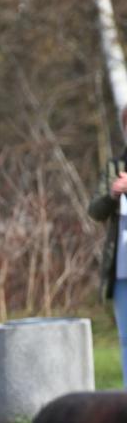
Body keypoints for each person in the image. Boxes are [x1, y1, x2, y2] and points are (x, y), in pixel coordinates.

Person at [88, 150, 127, 387]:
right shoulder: (115, 167)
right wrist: (113, 194)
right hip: (121, 270)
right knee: (126, 339)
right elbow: (94, 210)